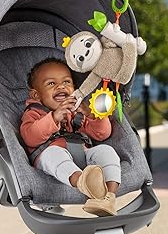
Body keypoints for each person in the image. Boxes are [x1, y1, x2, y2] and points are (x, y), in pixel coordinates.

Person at [20, 58, 121, 217]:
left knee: (106, 150)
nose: (61, 86)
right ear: (36, 95)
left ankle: (108, 197)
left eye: (66, 82)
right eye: (51, 83)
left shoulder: (76, 112)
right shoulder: (34, 113)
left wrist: (92, 115)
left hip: (82, 157)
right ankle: (83, 183)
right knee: (53, 154)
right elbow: (30, 137)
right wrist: (54, 118)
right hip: (53, 163)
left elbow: (102, 134)